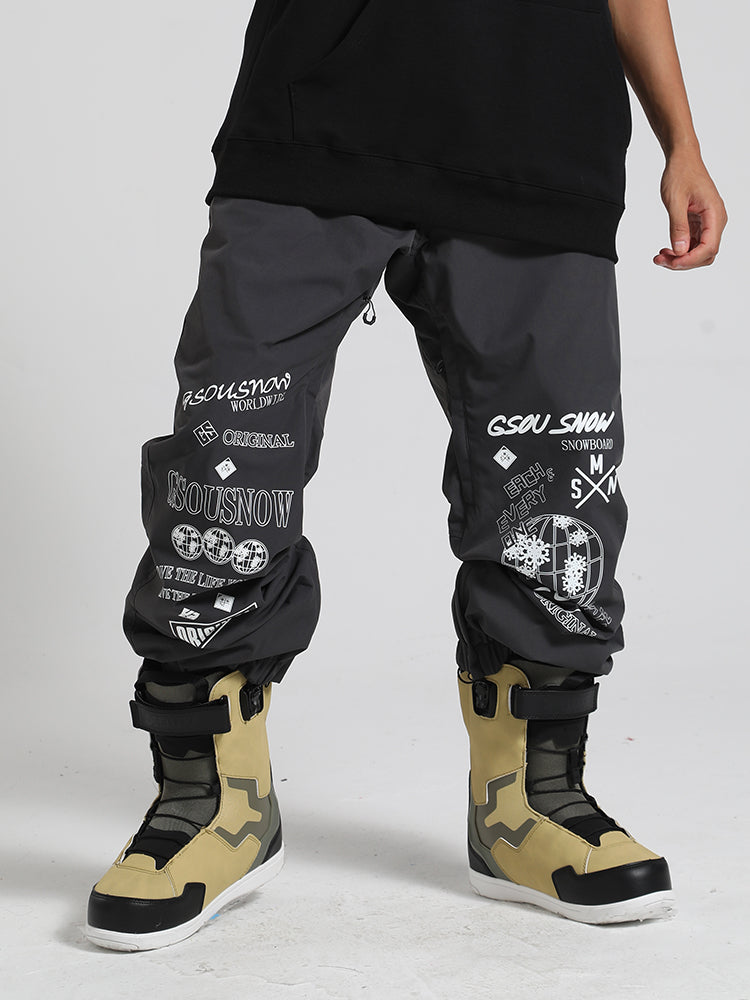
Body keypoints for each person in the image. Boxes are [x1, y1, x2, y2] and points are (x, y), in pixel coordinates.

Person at [84, 0, 727, 950]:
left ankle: (527, 803)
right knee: (226, 465)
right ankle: (213, 800)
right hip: (313, 111)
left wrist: (684, 141)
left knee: (554, 487)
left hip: (540, 126)